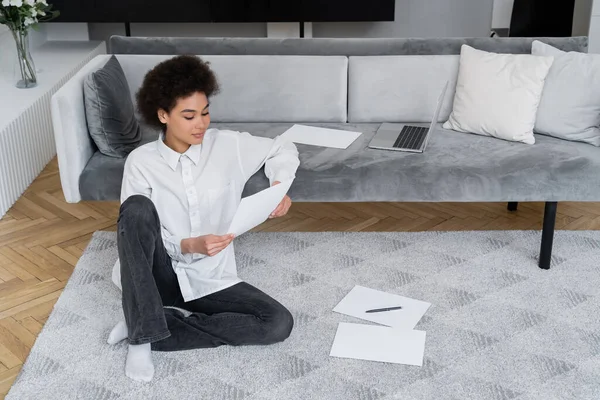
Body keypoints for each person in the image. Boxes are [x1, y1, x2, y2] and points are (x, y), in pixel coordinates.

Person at [106, 54, 300, 382]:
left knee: (277, 323)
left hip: (211, 278)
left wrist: (278, 186)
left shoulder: (227, 146)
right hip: (158, 276)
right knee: (136, 207)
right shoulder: (141, 162)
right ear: (163, 115)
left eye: (205, 112)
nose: (201, 124)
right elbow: (135, 232)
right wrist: (188, 244)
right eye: (189, 115)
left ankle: (149, 324)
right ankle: (143, 333)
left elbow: (283, 148)